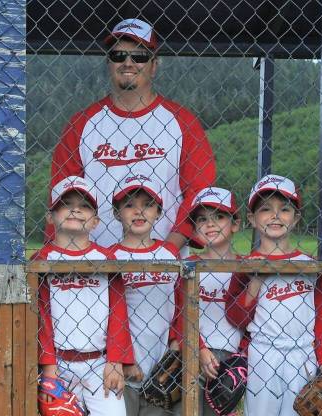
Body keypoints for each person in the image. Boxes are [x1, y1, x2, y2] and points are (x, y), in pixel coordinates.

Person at [225, 175, 322, 416]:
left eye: (284, 208)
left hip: (301, 355)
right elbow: (235, 314)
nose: (275, 215)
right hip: (263, 353)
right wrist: (256, 279)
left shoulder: (308, 264)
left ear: (296, 217)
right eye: (266, 209)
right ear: (254, 218)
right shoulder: (247, 265)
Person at [50, 18, 215, 249]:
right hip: (96, 261)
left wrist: (170, 249)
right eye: (118, 56)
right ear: (109, 63)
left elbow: (199, 192)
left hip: (165, 262)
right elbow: (60, 194)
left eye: (139, 56)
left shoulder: (183, 122)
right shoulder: (82, 123)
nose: (128, 62)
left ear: (154, 65)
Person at [33, 176, 131, 416]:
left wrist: (117, 360)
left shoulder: (104, 259)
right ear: (52, 215)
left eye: (84, 205)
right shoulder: (41, 260)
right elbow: (40, 317)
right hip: (58, 362)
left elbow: (118, 311)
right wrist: (47, 368)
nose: (75, 209)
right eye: (65, 203)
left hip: (98, 361)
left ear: (95, 220)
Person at [99, 175, 179, 416]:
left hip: (161, 360)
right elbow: (104, 310)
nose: (139, 211)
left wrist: (175, 348)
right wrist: (122, 358)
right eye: (130, 204)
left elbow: (181, 304)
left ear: (159, 211)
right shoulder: (108, 258)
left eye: (147, 204)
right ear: (117, 212)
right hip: (122, 362)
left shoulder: (169, 255)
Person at [167, 187, 243, 416]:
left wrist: (241, 359)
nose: (210, 224)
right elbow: (179, 313)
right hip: (192, 354)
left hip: (230, 358)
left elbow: (253, 317)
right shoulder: (188, 266)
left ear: (236, 223)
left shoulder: (246, 267)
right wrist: (197, 349)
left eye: (219, 216)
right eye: (202, 219)